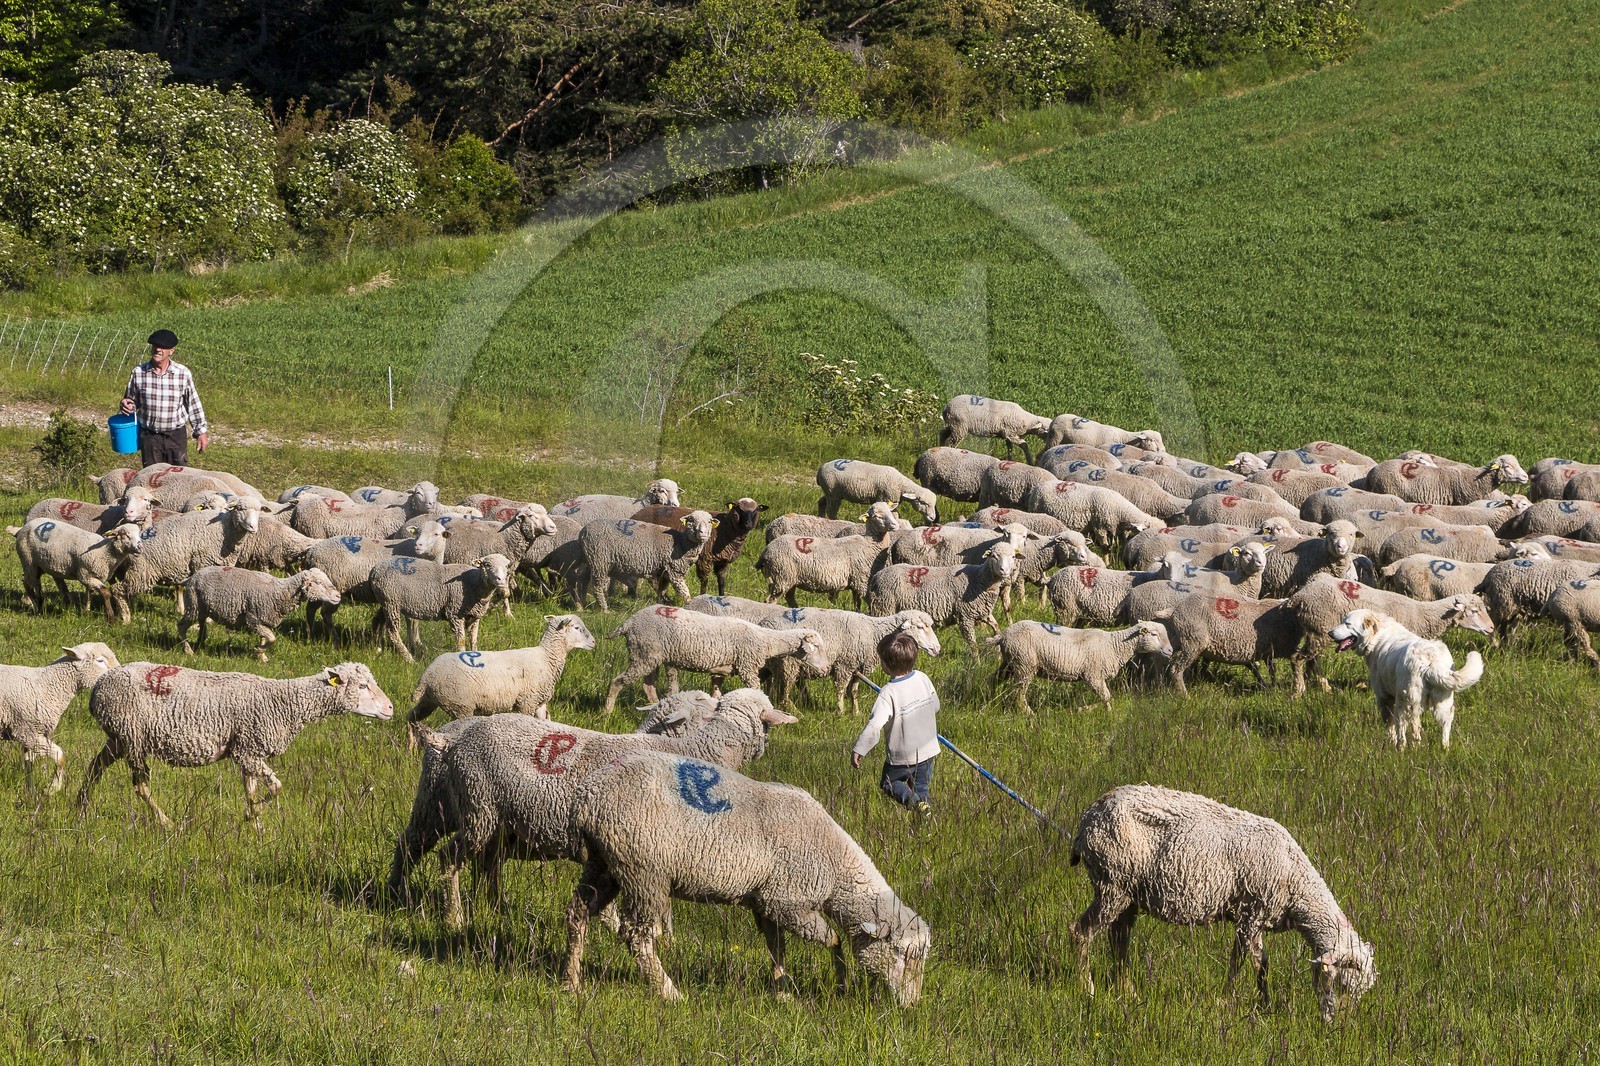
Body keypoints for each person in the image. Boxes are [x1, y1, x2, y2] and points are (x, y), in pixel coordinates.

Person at [851, 630, 940, 816]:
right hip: (928, 749)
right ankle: (924, 816)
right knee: (921, 789)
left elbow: (875, 726)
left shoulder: (888, 693)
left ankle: (915, 805)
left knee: (889, 783)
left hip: (902, 756)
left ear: (885, 664)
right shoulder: (923, 678)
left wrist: (859, 749)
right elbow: (935, 706)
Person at [119, 328, 208, 468]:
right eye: (155, 346)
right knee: (152, 479)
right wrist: (126, 405)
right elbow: (131, 401)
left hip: (175, 437)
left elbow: (193, 404)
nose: (158, 350)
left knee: (179, 477)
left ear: (171, 351)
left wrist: (201, 432)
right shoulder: (139, 373)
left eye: (163, 347)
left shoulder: (182, 374)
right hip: (150, 437)